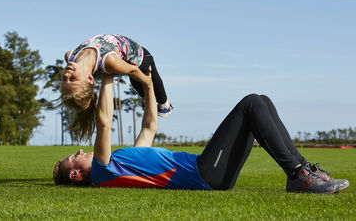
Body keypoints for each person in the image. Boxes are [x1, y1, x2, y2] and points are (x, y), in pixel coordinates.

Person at [53, 68, 350, 194]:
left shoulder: (120, 162)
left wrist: (147, 85)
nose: (79, 151)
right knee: (250, 104)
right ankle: (298, 175)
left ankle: (302, 171)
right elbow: (104, 122)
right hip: (205, 173)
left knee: (261, 101)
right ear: (77, 174)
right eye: (72, 158)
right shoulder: (105, 173)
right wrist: (106, 75)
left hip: (210, 172)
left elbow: (149, 125)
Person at [61, 34, 173, 140]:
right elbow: (133, 70)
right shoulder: (109, 61)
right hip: (140, 59)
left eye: (64, 79)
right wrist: (147, 82)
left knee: (140, 88)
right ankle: (164, 105)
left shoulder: (70, 56)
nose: (66, 75)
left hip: (123, 58)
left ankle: (149, 100)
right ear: (90, 79)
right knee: (153, 85)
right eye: (72, 79)